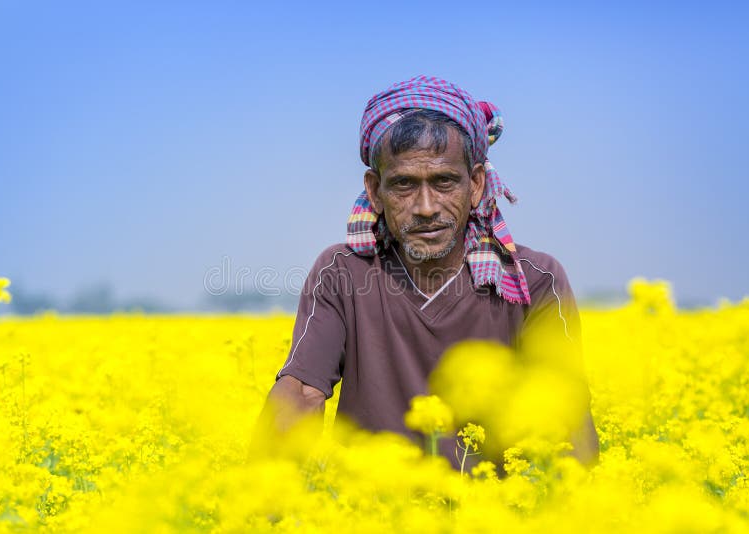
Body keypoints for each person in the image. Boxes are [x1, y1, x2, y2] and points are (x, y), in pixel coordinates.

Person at [251, 75, 599, 471]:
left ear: (477, 184)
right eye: (403, 185)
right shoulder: (343, 273)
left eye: (444, 181)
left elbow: (566, 416)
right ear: (375, 191)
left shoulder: (536, 280)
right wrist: (263, 505)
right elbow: (300, 392)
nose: (426, 207)